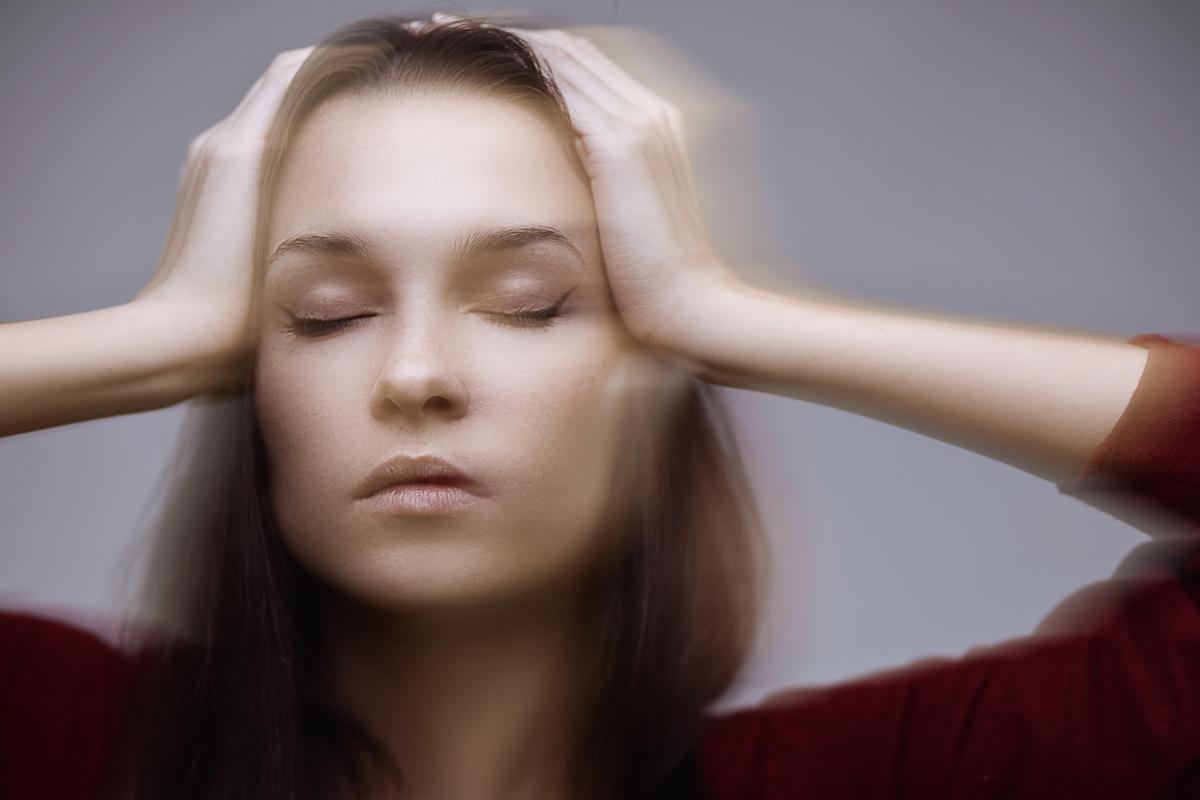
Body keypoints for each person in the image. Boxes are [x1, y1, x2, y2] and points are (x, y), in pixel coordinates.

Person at [0, 12, 1197, 800]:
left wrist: (736, 315)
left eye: (528, 302)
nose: (417, 373)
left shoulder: (883, 778)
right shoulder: (68, 742)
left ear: (652, 381)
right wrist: (147, 337)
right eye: (323, 312)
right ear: (248, 381)